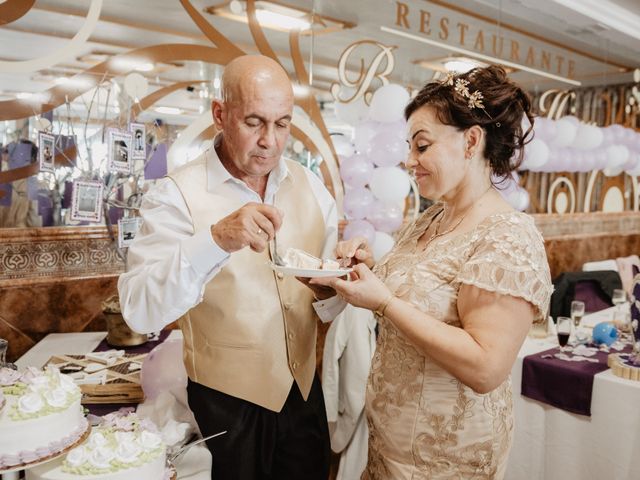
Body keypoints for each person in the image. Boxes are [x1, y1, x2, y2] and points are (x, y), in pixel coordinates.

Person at [311, 65, 553, 479]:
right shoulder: (427, 220)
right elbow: (414, 303)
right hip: (388, 446)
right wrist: (361, 272)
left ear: (471, 141)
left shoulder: (508, 236)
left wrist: (384, 301)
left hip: (446, 459)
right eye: (409, 147)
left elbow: (485, 367)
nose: (409, 161)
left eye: (421, 146)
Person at [118, 55, 341, 479]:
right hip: (225, 411)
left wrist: (335, 284)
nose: (270, 141)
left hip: (304, 402)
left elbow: (323, 296)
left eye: (282, 124)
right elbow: (139, 309)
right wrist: (214, 241)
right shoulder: (173, 196)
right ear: (220, 114)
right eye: (254, 121)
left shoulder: (310, 186)